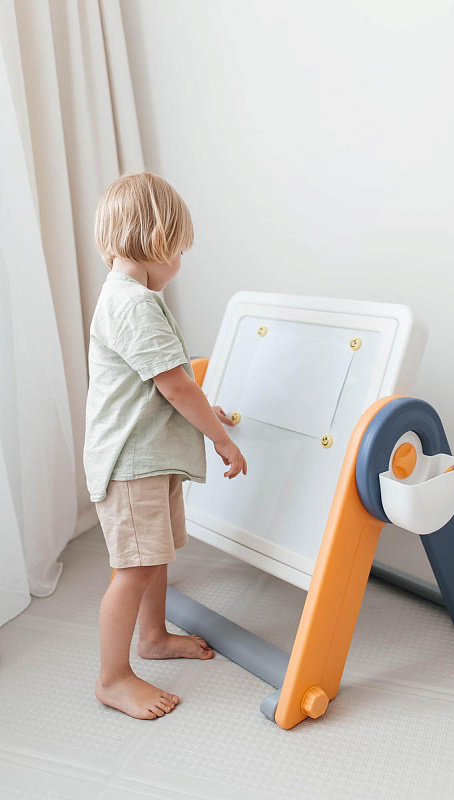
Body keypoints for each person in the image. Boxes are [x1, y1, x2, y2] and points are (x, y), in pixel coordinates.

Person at [83, 172, 247, 720]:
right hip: (131, 463)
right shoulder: (135, 305)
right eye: (178, 250)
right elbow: (174, 384)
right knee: (134, 568)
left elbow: (166, 382)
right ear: (156, 241)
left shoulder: (128, 297)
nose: (179, 262)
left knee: (154, 557)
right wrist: (220, 438)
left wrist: (205, 408)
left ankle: (152, 637)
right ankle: (112, 678)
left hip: (149, 457)